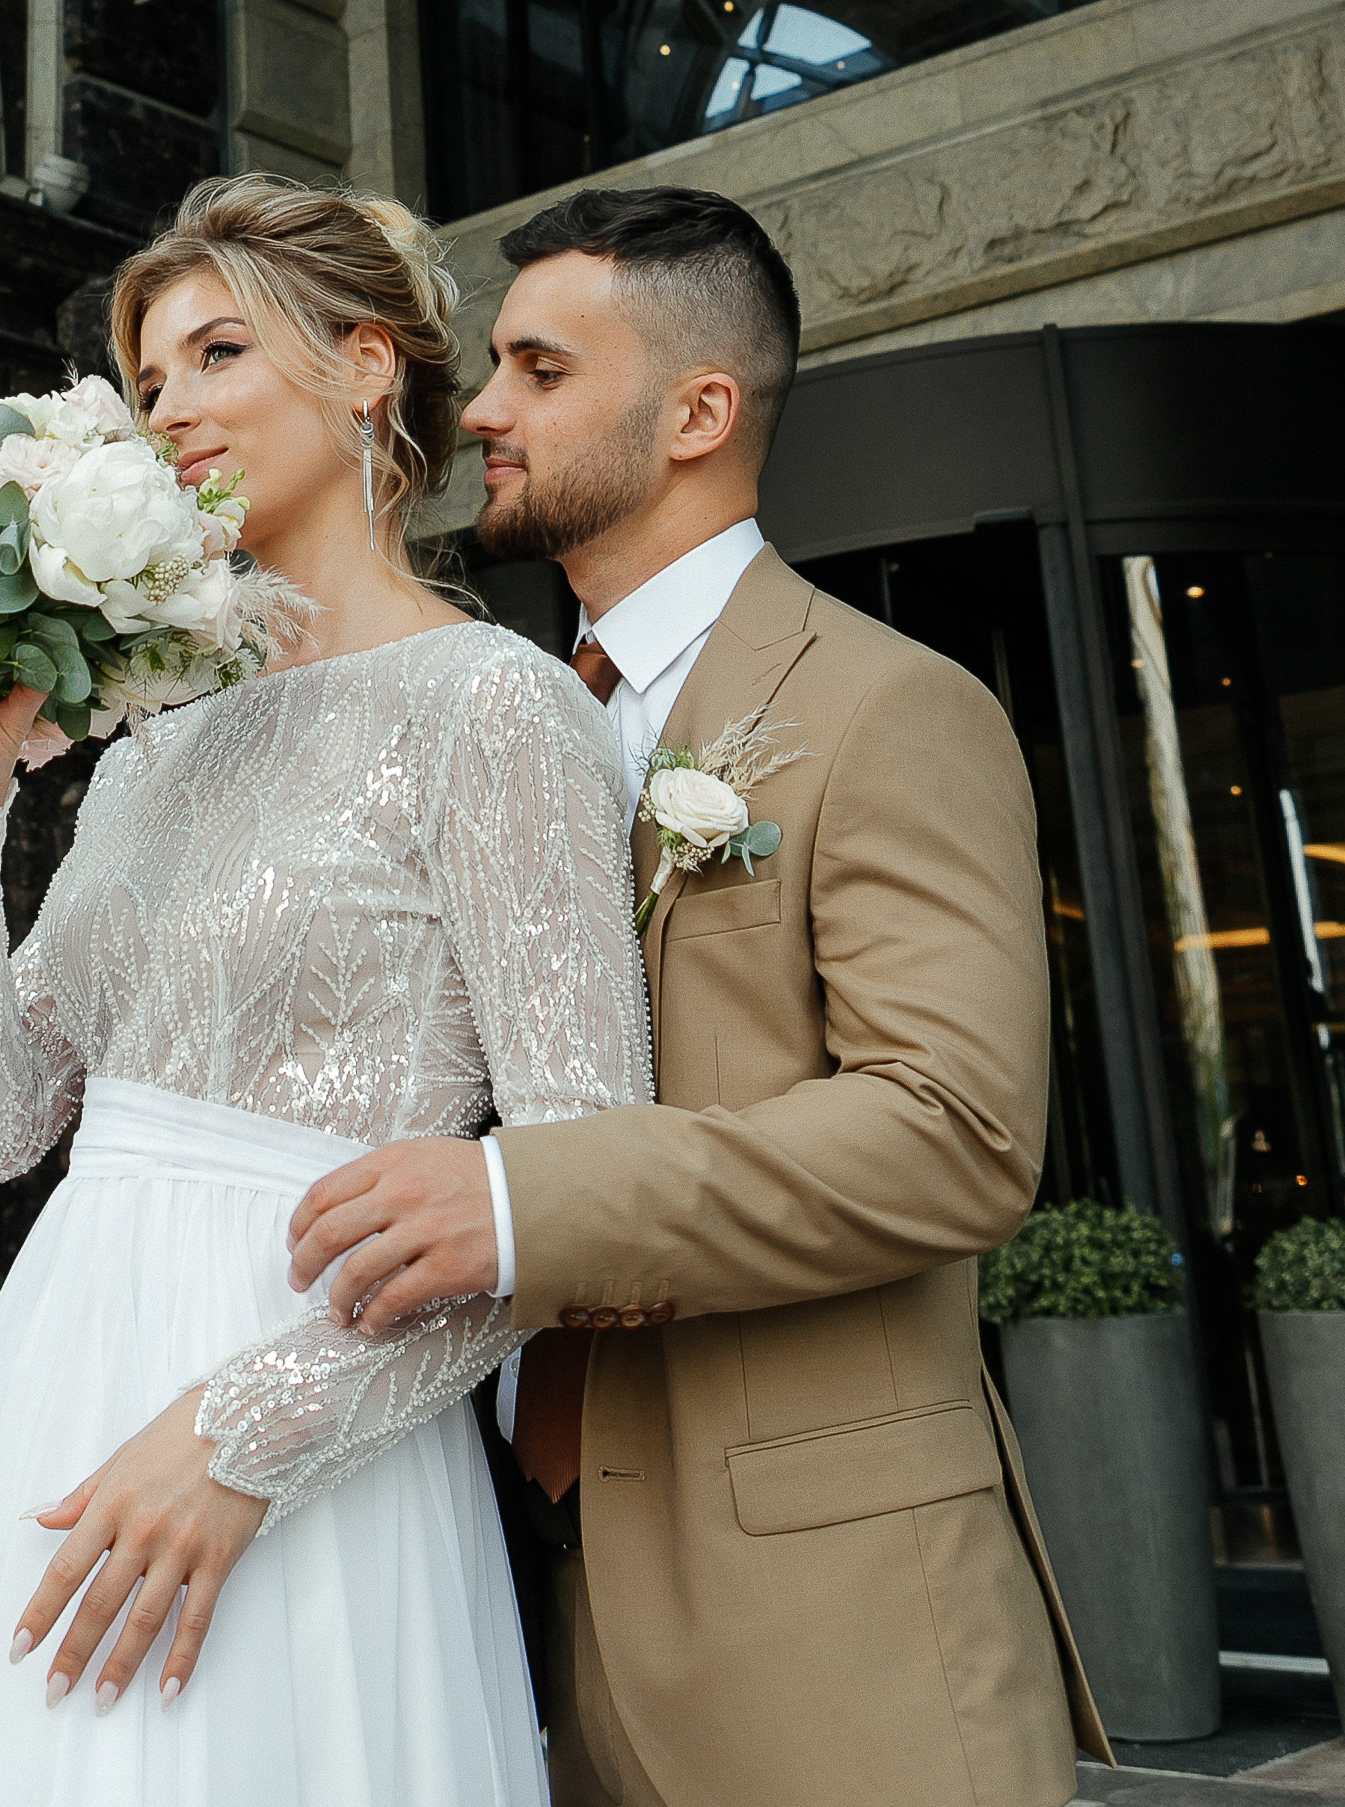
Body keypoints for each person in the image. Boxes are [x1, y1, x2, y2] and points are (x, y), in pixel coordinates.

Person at [283, 182, 1108, 1807]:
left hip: (821, 1620)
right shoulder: (480, 720)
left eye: (536, 369)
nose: (485, 414)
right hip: (482, 1586)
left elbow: (953, 1135)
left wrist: (527, 1203)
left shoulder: (887, 709)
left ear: (698, 412)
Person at [0, 174, 652, 1807]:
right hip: (60, 1390)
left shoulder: (488, 706)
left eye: (218, 353)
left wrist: (245, 1439)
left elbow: (576, 1188)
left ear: (368, 370)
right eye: (149, 383)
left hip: (313, 1429)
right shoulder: (156, 741)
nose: (173, 413)